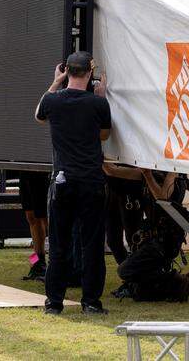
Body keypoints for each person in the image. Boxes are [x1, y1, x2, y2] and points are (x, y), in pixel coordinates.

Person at [35, 51, 111, 315]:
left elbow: (39, 116)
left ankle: (54, 303)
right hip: (90, 181)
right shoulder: (98, 104)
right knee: (91, 244)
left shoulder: (52, 101)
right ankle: (91, 302)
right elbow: (104, 135)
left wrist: (56, 82)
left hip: (62, 180)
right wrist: (101, 97)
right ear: (90, 74)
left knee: (58, 245)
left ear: (67, 70)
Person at [109, 164, 189, 302]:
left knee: (125, 271)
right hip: (153, 240)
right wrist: (99, 158)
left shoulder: (173, 171)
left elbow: (163, 198)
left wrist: (147, 175)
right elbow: (114, 170)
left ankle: (181, 283)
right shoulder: (146, 172)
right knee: (140, 292)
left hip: (166, 241)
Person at [19, 170, 51, 280]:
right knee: (30, 217)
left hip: (41, 171)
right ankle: (37, 264)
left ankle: (55, 266)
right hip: (25, 170)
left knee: (44, 217)